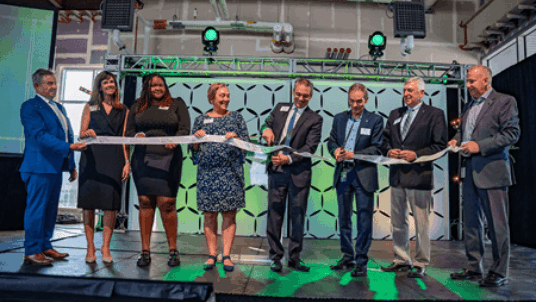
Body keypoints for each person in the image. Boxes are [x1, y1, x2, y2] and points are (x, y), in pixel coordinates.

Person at [449, 66, 520, 287]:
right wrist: (456, 138)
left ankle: (499, 272)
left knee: (497, 225)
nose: (467, 85)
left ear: (486, 80)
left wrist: (478, 146)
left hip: (493, 171)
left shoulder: (505, 101)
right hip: (470, 171)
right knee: (471, 222)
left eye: (471, 81)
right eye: (467, 81)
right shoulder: (470, 104)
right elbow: (466, 131)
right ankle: (474, 267)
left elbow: (511, 133)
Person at [381, 76, 447, 278]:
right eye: (405, 90)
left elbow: (440, 145)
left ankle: (420, 262)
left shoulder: (435, 114)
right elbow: (384, 140)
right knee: (397, 222)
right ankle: (401, 259)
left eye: (411, 90)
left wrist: (417, 155)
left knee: (421, 224)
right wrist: (389, 151)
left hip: (420, 177)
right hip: (397, 177)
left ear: (421, 93)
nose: (406, 94)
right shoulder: (395, 114)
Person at [19, 68, 87, 266]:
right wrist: (69, 147)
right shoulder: (30, 107)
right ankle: (32, 251)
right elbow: (39, 136)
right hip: (38, 166)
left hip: (56, 167)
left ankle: (45, 246)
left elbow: (68, 136)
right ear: (37, 86)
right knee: (37, 210)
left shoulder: (59, 107)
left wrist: (71, 164)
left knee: (50, 210)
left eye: (54, 82)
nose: (53, 86)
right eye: (48, 83)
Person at [125, 73, 191, 267]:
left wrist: (176, 139)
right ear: (147, 87)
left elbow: (184, 128)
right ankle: (145, 251)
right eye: (153, 86)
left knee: (167, 202)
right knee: (145, 201)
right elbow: (128, 132)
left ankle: (173, 250)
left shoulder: (177, 103)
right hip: (143, 158)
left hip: (170, 157)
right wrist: (136, 135)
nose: (157, 88)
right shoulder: (137, 105)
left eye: (160, 85)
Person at [261, 78, 323, 273]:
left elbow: (309, 147)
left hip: (298, 173)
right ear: (293, 92)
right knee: (274, 215)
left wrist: (287, 159)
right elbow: (265, 124)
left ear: (311, 96)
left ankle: (294, 258)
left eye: (305, 96)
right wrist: (266, 129)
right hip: (276, 172)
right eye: (298, 94)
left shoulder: (315, 119)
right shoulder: (280, 107)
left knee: (296, 217)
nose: (301, 98)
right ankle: (275, 257)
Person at [190, 83, 249, 272]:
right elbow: (192, 151)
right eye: (222, 95)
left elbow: (247, 146)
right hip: (207, 174)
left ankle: (227, 256)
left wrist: (237, 139)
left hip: (231, 173)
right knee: (209, 214)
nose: (226, 99)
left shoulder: (237, 118)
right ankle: (211, 254)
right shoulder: (200, 119)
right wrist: (196, 141)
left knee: (229, 214)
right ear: (211, 99)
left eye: (228, 95)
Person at [327, 83, 383, 277]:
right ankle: (347, 257)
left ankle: (361, 261)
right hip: (344, 173)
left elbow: (377, 148)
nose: (355, 104)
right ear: (348, 99)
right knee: (343, 218)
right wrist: (334, 150)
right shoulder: (339, 118)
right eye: (352, 101)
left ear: (366, 100)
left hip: (364, 174)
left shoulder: (375, 120)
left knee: (364, 219)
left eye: (359, 101)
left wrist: (354, 154)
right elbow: (331, 140)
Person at [77, 71, 130, 264]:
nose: (110, 84)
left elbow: (125, 138)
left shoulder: (123, 109)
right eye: (106, 82)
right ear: (100, 86)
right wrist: (87, 132)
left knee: (110, 205)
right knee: (88, 204)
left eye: (113, 82)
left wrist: (127, 162)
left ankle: (105, 246)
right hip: (91, 159)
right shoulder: (90, 106)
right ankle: (90, 247)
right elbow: (81, 133)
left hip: (114, 158)